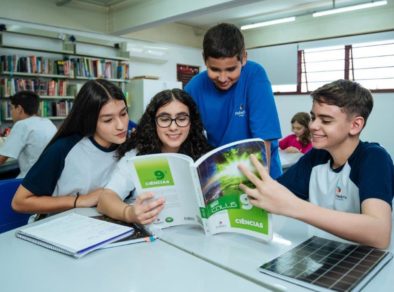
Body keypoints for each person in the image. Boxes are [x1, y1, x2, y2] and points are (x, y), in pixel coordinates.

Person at [239, 79, 394, 249]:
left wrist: (295, 207)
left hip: (360, 259)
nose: (312, 125)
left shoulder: (374, 158)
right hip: (319, 251)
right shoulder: (317, 157)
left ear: (355, 125)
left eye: (326, 120)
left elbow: (379, 234)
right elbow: (276, 196)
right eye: (313, 117)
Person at [12, 79, 129, 218]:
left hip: (98, 223)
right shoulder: (64, 148)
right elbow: (19, 202)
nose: (121, 125)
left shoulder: (128, 148)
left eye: (123, 113)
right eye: (108, 120)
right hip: (58, 226)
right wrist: (80, 200)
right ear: (89, 120)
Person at [97, 88, 212, 224]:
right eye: (164, 119)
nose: (173, 127)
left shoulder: (206, 157)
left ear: (191, 122)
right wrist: (129, 213)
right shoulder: (136, 156)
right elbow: (106, 198)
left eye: (181, 119)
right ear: (153, 123)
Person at [185, 23, 282, 179]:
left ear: (243, 58)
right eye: (215, 69)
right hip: (222, 171)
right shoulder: (194, 88)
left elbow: (263, 140)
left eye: (231, 69)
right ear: (204, 60)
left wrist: (264, 185)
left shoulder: (255, 75)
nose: (223, 78)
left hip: (260, 167)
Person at [0, 91, 57, 178]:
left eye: (12, 108)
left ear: (19, 109)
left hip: (31, 182)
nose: (11, 112)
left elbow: (1, 159)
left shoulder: (22, 124)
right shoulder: (48, 122)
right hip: (50, 179)